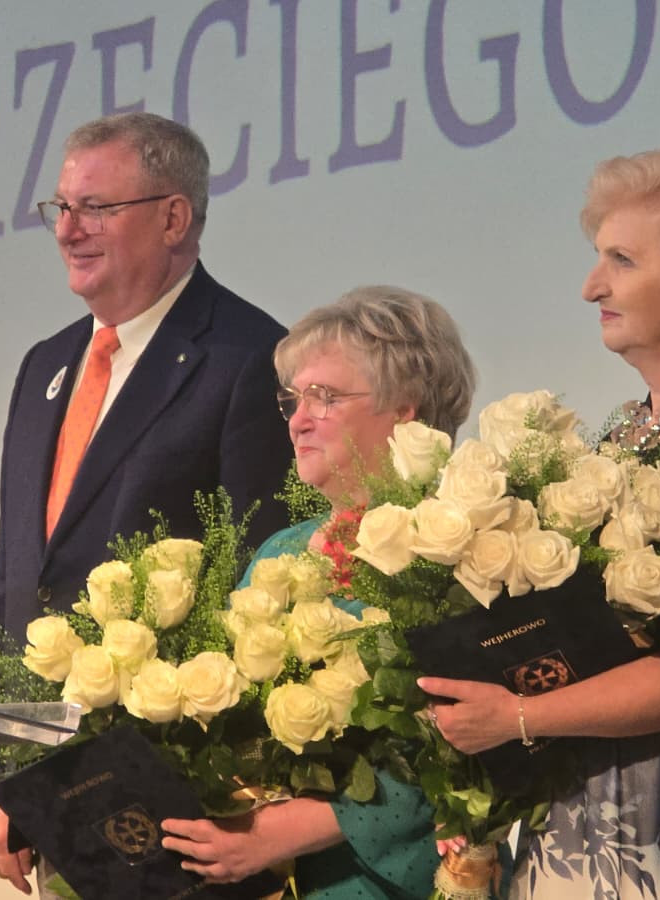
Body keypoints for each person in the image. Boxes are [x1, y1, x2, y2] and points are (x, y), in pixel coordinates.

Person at [416, 148, 660, 899]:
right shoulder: (621, 431)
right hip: (586, 799)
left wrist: (519, 716)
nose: (591, 287)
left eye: (622, 260)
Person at [0, 112, 294, 894]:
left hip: (179, 805)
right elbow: (17, 578)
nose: (67, 230)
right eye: (61, 208)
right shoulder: (45, 366)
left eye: (96, 208)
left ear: (174, 217)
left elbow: (261, 583)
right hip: (49, 798)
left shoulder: (249, 357)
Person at [159, 286, 477, 898]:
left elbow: (459, 747)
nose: (298, 419)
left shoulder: (454, 549)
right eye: (294, 399)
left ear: (404, 410)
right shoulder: (279, 551)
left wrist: (282, 833)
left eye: (325, 397)